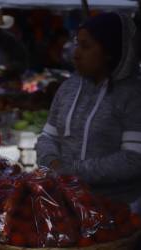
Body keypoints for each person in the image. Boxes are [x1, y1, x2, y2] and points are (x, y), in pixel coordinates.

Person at [36, 12, 141, 214]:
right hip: (65, 205)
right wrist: (53, 163)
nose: (76, 53)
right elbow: (47, 137)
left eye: (86, 46)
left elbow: (133, 159)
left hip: (118, 210)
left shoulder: (133, 95)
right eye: (77, 44)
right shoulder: (68, 88)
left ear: (110, 51)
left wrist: (72, 170)